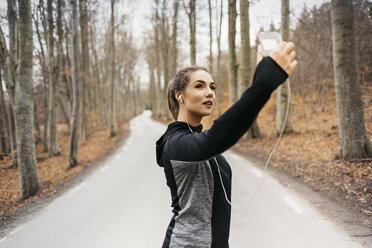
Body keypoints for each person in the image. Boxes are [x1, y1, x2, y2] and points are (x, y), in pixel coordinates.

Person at [156, 42, 297, 248]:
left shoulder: (196, 138)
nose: (210, 92)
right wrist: (262, 85)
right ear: (180, 96)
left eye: (212, 87)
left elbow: (222, 134)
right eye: (199, 86)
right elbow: (217, 138)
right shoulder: (174, 143)